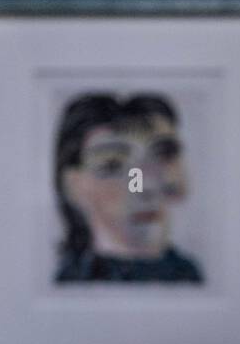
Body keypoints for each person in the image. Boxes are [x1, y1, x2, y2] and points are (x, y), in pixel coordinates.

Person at [52, 93, 204, 283]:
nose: (142, 186)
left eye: (163, 155)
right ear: (73, 184)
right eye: (113, 165)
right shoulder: (72, 284)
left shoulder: (188, 276)